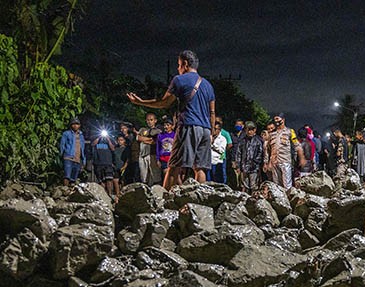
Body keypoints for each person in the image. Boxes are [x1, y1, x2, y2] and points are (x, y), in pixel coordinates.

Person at [127, 49, 216, 189]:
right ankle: (201, 199)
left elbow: (164, 102)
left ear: (185, 64)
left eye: (179, 65)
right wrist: (211, 133)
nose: (178, 68)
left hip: (189, 126)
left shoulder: (179, 80)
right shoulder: (208, 85)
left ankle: (166, 198)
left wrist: (141, 102)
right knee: (200, 168)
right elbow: (212, 112)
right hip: (205, 130)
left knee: (174, 165)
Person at [263, 113, 302, 188]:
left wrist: (298, 159)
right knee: (277, 185)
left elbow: (296, 145)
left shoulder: (290, 132)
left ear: (283, 119)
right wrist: (266, 162)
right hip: (274, 162)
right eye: (275, 119)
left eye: (277, 119)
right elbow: (267, 150)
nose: (276, 121)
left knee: (287, 185)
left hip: (285, 161)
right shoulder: (272, 134)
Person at [234, 121, 264, 192]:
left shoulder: (258, 141)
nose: (250, 132)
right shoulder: (242, 141)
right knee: (245, 185)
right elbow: (238, 153)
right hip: (244, 167)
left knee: (254, 185)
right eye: (248, 130)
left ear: (255, 130)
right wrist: (238, 165)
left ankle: (254, 197)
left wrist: (255, 162)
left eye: (252, 130)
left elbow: (260, 153)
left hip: (254, 168)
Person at [60, 117, 86, 186]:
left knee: (73, 179)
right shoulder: (66, 134)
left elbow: (82, 148)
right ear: (71, 125)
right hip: (68, 157)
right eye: (73, 124)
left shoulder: (81, 136)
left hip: (77, 159)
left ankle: (71, 191)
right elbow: (62, 145)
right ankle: (65, 189)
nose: (75, 126)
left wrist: (83, 159)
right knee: (67, 176)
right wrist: (62, 155)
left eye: (77, 124)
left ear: (79, 125)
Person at [91, 130, 116, 197]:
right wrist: (99, 137)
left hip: (108, 162)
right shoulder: (95, 138)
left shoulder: (110, 139)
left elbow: (113, 148)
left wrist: (108, 139)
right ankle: (104, 194)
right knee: (101, 181)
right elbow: (93, 144)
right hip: (98, 162)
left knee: (109, 179)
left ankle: (110, 194)